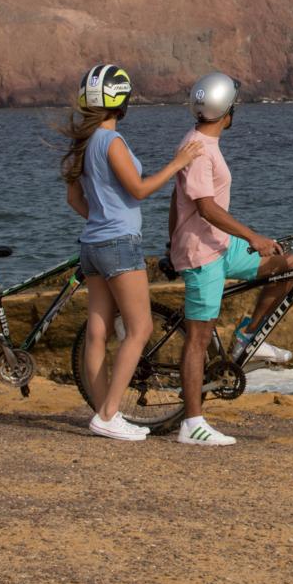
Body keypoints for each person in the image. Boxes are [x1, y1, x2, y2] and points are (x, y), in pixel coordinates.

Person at [61, 63, 202, 441]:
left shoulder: (85, 143)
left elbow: (74, 197)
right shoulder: (112, 142)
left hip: (92, 244)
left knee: (98, 330)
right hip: (119, 244)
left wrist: (102, 218)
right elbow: (138, 190)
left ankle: (102, 413)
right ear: (120, 102)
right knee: (140, 328)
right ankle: (108, 415)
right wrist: (178, 164)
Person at [168, 71, 293, 447]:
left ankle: (249, 337)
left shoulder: (204, 143)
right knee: (197, 339)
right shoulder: (198, 148)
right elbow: (206, 207)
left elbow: (174, 200)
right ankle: (191, 423)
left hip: (221, 246)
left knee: (290, 266)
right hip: (203, 253)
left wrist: (170, 241)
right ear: (228, 111)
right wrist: (252, 236)